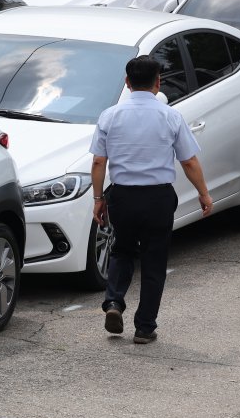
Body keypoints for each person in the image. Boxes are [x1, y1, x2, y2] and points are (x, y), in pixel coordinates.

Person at [90, 56, 212, 344]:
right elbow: (189, 161)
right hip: (158, 197)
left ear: (127, 82)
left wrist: (98, 198)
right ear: (158, 83)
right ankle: (144, 328)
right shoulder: (170, 116)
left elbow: (98, 162)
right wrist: (204, 193)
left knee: (122, 250)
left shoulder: (109, 116)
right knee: (154, 261)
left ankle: (114, 302)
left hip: (122, 195)